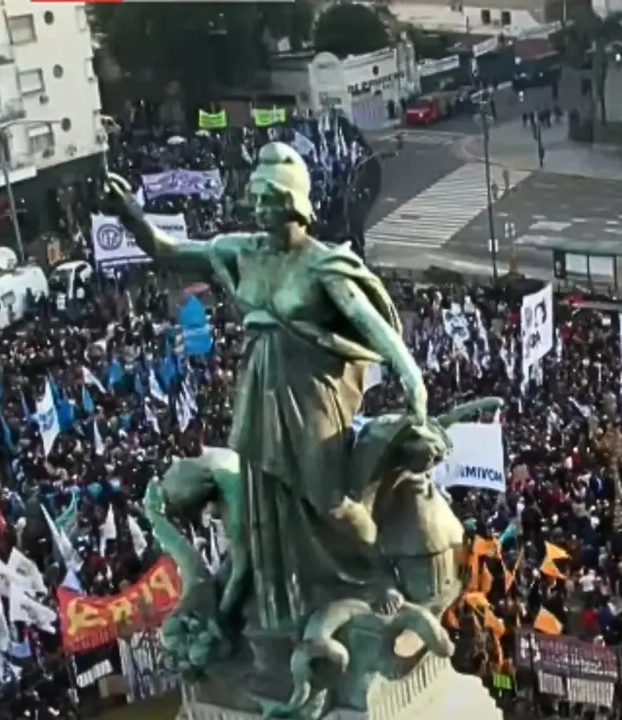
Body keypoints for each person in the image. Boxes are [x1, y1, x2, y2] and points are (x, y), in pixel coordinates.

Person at [99, 141, 434, 636]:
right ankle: (287, 598)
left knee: (331, 502)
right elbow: (168, 252)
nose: (259, 208)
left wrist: (412, 377)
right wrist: (128, 214)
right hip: (260, 390)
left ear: (293, 202)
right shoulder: (242, 251)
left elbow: (375, 327)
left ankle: (377, 573)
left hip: (312, 396)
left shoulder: (322, 265)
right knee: (264, 508)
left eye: (269, 198)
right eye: (256, 198)